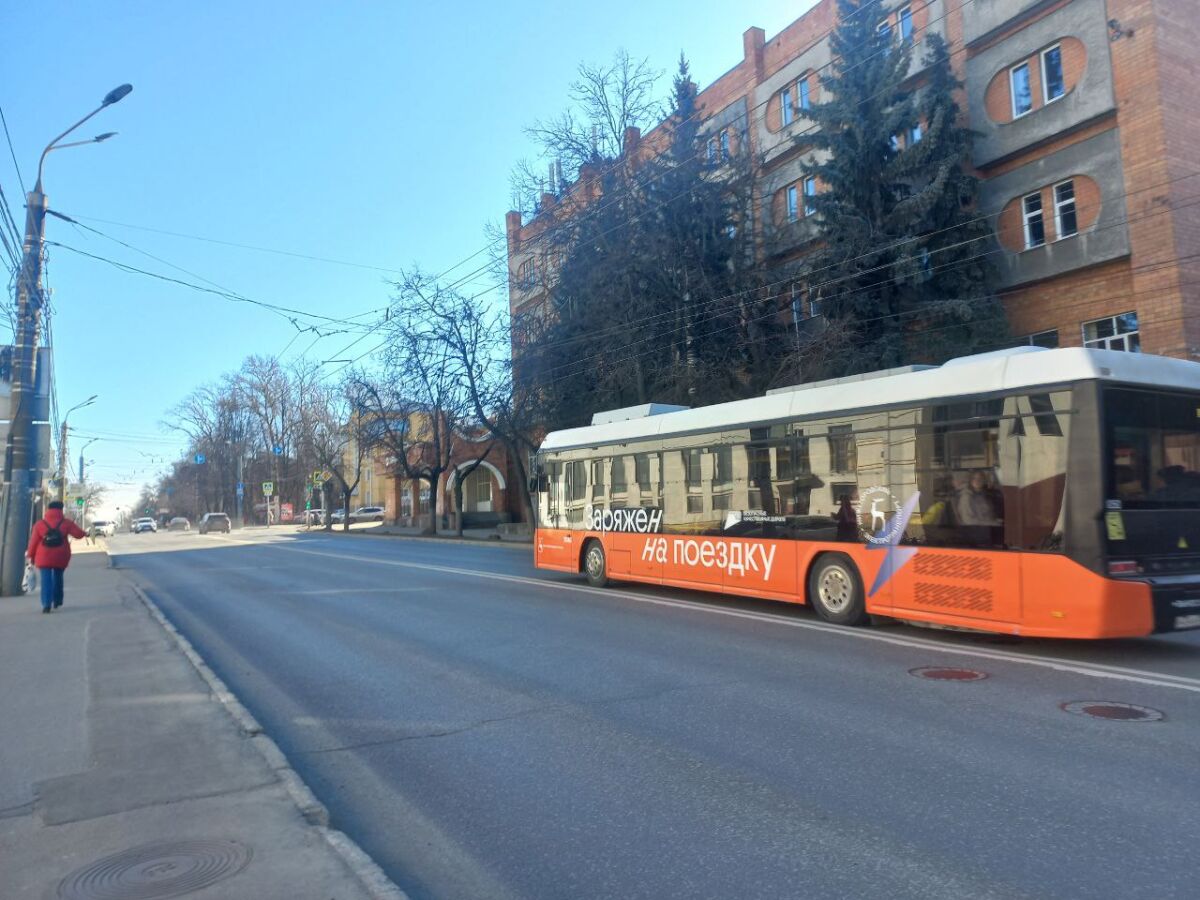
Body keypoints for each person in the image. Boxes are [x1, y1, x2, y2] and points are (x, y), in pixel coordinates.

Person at [27, 500, 87, 614]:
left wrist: (30, 555)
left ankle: (46, 604)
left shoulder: (40, 524)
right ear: (61, 510)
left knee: (46, 580)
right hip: (61, 555)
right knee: (58, 577)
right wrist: (85, 533)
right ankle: (57, 600)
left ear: (48, 510)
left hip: (44, 555)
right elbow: (78, 534)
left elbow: (33, 542)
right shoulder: (66, 523)